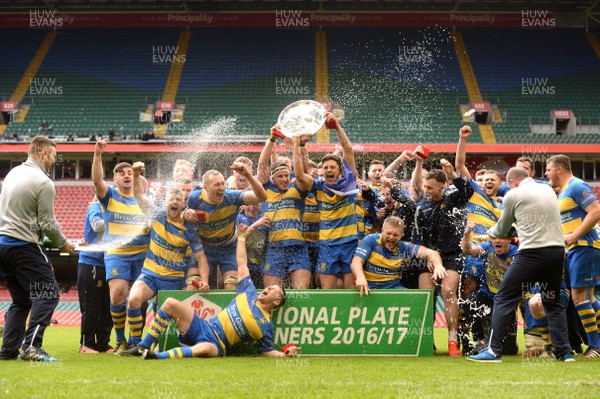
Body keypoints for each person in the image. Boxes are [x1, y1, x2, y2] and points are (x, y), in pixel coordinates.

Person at [122, 224, 300, 360]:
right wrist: (242, 238)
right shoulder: (249, 292)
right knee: (169, 303)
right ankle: (142, 346)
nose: (267, 288)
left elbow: (268, 351)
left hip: (217, 344)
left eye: (273, 291)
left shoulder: (265, 325)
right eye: (270, 287)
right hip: (203, 326)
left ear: (276, 302)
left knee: (207, 349)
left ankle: (158, 356)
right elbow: (241, 262)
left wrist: (286, 354)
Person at [468, 167, 574, 362]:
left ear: (512, 182)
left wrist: (490, 233)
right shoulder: (547, 190)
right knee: (552, 301)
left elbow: (503, 227)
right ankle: (565, 352)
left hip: (532, 253)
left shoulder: (513, 194)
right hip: (556, 252)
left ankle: (493, 350)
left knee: (504, 297)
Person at [0, 136, 75, 362]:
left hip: (3, 246)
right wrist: (64, 243)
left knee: (21, 300)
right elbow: (47, 222)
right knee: (48, 292)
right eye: (53, 155)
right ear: (42, 153)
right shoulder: (43, 181)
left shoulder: (13, 174)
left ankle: (8, 350)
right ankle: (32, 347)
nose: (54, 160)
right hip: (23, 245)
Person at [121, 163, 210, 352]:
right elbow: (139, 196)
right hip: (151, 273)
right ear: (166, 202)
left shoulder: (189, 229)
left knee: (163, 315)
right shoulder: (157, 216)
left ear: (184, 204)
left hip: (173, 279)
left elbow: (201, 258)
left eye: (179, 199)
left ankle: (152, 345)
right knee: (133, 300)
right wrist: (136, 175)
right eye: (172, 198)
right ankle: (135, 343)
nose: (175, 201)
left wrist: (205, 280)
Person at [92, 140, 151, 354]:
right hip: (117, 254)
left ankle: (137, 341)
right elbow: (97, 179)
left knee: (139, 300)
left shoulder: (145, 201)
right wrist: (98, 155)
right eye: (122, 173)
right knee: (118, 294)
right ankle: (120, 339)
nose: (127, 175)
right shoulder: (110, 197)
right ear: (115, 178)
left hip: (143, 255)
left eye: (129, 172)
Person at [411, 157, 474, 356]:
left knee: (448, 292)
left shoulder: (451, 199)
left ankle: (453, 340)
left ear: (442, 187)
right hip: (428, 257)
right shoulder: (421, 206)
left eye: (431, 187)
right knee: (426, 296)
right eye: (425, 186)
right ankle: (426, 339)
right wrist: (428, 257)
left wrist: (453, 174)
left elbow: (468, 191)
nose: (427, 191)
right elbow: (417, 238)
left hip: (451, 256)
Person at [292, 112, 360, 289]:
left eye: (332, 167)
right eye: (325, 168)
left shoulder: (350, 183)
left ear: (340, 170)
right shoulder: (318, 186)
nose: (329, 170)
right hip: (327, 245)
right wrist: (298, 145)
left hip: (349, 244)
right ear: (322, 171)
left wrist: (336, 126)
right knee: (327, 291)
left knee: (350, 292)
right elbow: (299, 174)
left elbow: (348, 149)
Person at [545, 154, 600, 359]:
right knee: (589, 297)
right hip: (579, 249)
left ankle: (595, 346)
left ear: (559, 169)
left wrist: (574, 236)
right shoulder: (564, 192)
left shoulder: (577, 186)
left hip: (584, 246)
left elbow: (596, 211)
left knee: (579, 298)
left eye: (549, 169)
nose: (547, 173)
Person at [185, 162, 267, 289]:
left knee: (231, 286)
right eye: (217, 184)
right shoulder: (195, 199)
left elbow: (262, 196)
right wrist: (187, 214)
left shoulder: (232, 197)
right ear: (205, 188)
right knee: (193, 286)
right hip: (205, 248)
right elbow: (186, 217)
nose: (221, 188)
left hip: (228, 247)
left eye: (223, 183)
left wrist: (248, 175)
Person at [255, 126, 311, 289]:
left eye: (287, 175)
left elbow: (304, 170)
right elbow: (262, 165)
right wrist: (272, 139)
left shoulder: (297, 190)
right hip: (275, 249)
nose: (285, 179)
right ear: (272, 178)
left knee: (302, 294)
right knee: (271, 294)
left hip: (298, 248)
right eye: (280, 176)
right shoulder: (266, 190)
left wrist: (299, 146)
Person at [461, 221, 519, 356]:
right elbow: (467, 250)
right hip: (487, 295)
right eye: (495, 237)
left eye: (502, 237)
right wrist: (466, 234)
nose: (497, 241)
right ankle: (481, 341)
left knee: (509, 351)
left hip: (505, 300)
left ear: (509, 239)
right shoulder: (488, 248)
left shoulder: (517, 254)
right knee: (470, 302)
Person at [352, 216, 446, 295]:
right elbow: (356, 262)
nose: (391, 237)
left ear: (401, 235)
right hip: (368, 287)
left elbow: (432, 253)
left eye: (395, 235)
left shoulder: (404, 247)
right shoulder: (370, 240)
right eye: (388, 233)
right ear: (382, 231)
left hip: (392, 288)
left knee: (415, 301)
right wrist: (360, 278)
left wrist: (438, 265)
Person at [77, 196, 112, 354]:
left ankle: (103, 344)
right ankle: (87, 344)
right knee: (92, 307)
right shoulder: (95, 206)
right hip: (91, 262)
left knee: (106, 306)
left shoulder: (109, 209)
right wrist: (120, 222)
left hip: (107, 262)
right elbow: (98, 226)